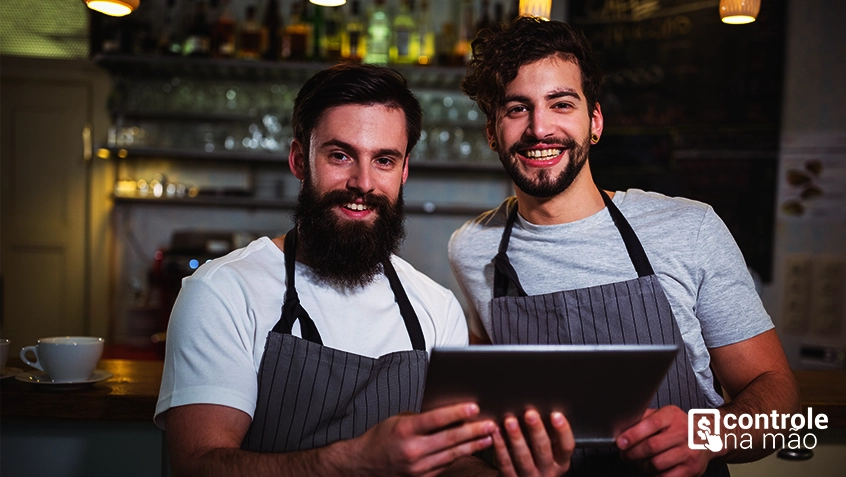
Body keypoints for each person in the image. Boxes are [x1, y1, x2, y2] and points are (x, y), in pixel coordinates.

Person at [450, 16, 799, 477]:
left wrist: (706, 435)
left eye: (561, 104)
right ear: (493, 132)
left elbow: (779, 398)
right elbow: (488, 414)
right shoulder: (473, 250)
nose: (539, 129)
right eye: (517, 108)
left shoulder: (688, 229)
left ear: (594, 121)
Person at [154, 63, 501, 476]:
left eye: (384, 160)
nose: (363, 183)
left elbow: (450, 464)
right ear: (300, 160)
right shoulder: (222, 292)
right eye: (340, 155)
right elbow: (198, 466)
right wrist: (356, 461)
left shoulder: (437, 307)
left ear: (404, 171)